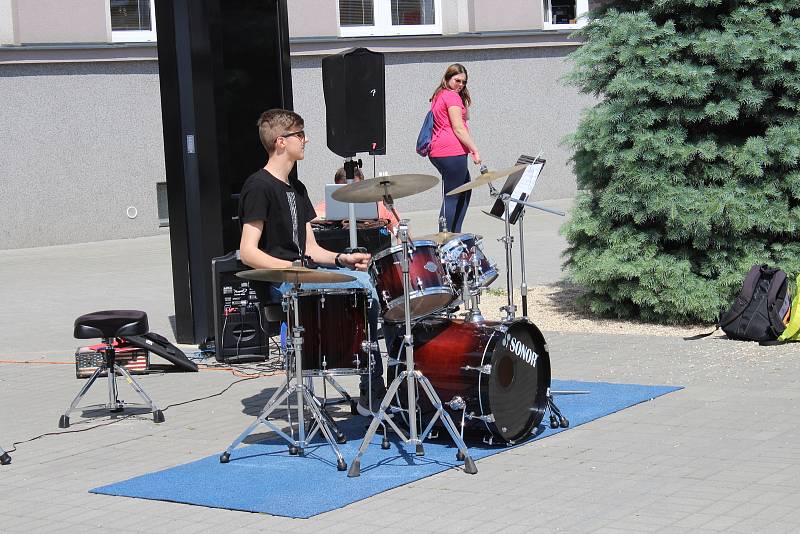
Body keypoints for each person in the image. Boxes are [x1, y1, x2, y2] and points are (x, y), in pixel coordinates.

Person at [238, 108, 387, 415]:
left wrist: (343, 258)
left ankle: (373, 380)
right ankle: (372, 387)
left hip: (304, 274)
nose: (306, 140)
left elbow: (311, 248)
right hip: (280, 283)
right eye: (300, 135)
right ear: (281, 142)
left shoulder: (297, 188)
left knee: (367, 279)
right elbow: (248, 251)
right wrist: (291, 269)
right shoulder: (258, 186)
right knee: (362, 287)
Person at [428, 63, 481, 233]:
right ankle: (446, 239)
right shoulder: (451, 97)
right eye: (457, 80)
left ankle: (454, 234)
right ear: (447, 78)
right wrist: (474, 149)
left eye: (464, 82)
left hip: (438, 151)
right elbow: (458, 128)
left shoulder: (440, 95)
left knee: (464, 190)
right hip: (452, 152)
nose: (461, 85)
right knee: (452, 196)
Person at [314, 166, 400, 233]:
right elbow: (310, 217)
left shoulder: (380, 206)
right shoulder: (330, 206)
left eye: (355, 188)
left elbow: (400, 230)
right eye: (344, 189)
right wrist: (336, 217)